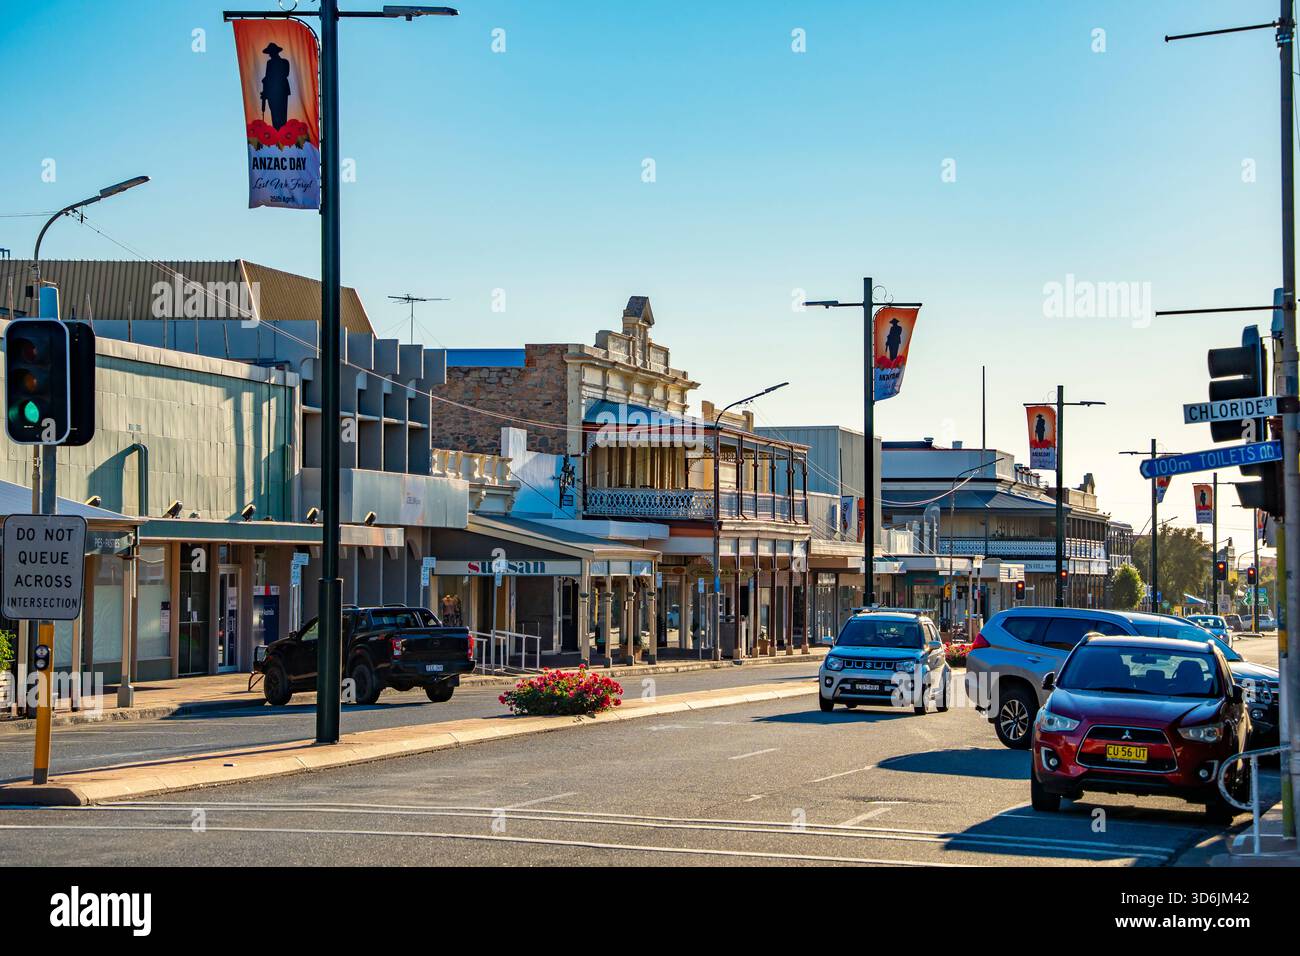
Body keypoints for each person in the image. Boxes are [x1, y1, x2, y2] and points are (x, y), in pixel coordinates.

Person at [260, 42, 292, 130]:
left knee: (280, 113)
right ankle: (278, 132)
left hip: (280, 91)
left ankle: (282, 132)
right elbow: (268, 77)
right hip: (273, 92)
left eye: (271, 52)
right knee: (275, 113)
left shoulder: (284, 62)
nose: (270, 55)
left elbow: (283, 74)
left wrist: (267, 82)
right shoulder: (271, 63)